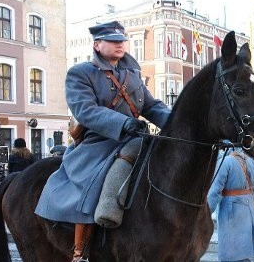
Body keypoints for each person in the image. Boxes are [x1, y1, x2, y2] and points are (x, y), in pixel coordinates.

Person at [35, 20, 171, 262]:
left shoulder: (133, 75)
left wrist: (178, 122)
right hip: (99, 143)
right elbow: (85, 110)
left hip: (136, 138)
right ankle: (80, 251)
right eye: (113, 40)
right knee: (92, 185)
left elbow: (152, 107)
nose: (120, 44)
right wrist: (123, 123)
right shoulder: (80, 73)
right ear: (97, 45)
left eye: (122, 41)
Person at [208, 146, 254, 262]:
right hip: (248, 208)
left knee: (230, 252)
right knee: (243, 249)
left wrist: (206, 212)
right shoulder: (251, 161)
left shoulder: (226, 161)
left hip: (231, 209)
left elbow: (215, 191)